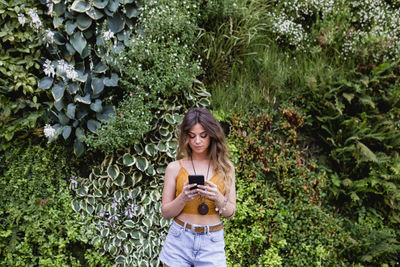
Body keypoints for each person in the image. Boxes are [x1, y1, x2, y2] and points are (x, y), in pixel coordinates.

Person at [159, 107, 236, 267]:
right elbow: (166, 213)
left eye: (203, 135)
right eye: (192, 136)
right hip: (179, 239)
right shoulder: (174, 168)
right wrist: (183, 198)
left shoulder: (226, 167)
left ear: (212, 135)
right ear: (186, 137)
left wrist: (218, 198)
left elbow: (230, 213)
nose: (197, 141)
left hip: (212, 241)